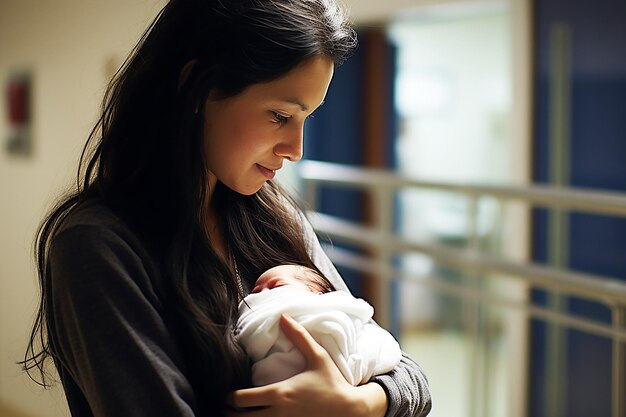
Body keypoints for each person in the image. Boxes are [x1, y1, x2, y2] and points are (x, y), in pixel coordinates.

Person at [21, 0, 432, 416]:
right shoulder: (98, 246)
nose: (296, 150)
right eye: (279, 115)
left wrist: (357, 405)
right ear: (198, 87)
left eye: (305, 117)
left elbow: (404, 369)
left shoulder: (274, 216)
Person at [236, 264, 403, 387]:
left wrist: (360, 398)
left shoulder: (333, 307)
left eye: (276, 286)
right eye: (256, 292)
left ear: (318, 294)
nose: (263, 295)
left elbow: (382, 347)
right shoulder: (256, 315)